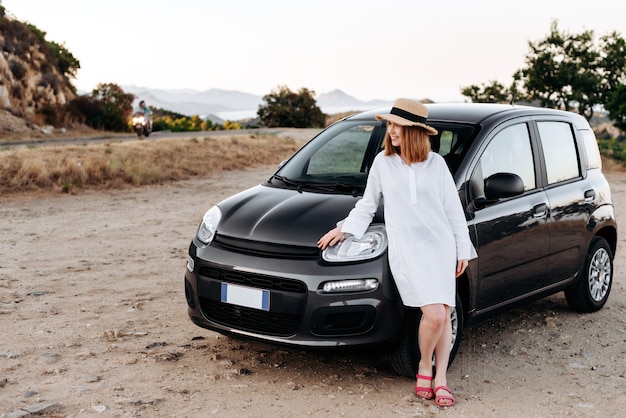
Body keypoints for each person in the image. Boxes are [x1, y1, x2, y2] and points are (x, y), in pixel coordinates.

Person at [317, 98, 477, 407]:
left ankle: (440, 378)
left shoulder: (437, 165)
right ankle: (423, 366)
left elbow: (452, 210)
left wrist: (461, 248)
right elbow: (367, 204)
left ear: (413, 131)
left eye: (396, 126)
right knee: (432, 315)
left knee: (443, 313)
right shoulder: (383, 163)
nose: (390, 131)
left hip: (440, 247)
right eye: (389, 124)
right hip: (408, 249)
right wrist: (344, 229)